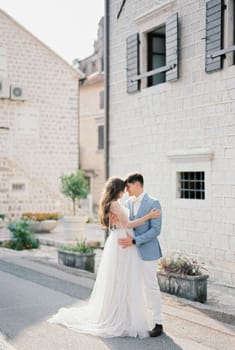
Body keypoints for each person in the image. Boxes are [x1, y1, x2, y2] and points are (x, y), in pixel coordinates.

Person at [48, 177, 160, 338]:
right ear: (118, 190)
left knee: (121, 279)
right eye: (124, 189)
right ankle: (120, 315)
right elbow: (128, 224)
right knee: (122, 279)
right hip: (123, 242)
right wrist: (148, 217)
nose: (125, 192)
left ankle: (122, 313)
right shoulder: (115, 204)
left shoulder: (115, 204)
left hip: (121, 240)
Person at [118, 173, 163, 337]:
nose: (127, 190)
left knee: (151, 286)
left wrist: (136, 241)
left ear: (136, 184)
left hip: (148, 251)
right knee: (133, 286)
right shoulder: (127, 203)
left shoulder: (154, 202)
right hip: (130, 253)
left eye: (128, 187)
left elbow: (156, 230)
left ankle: (158, 322)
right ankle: (136, 320)